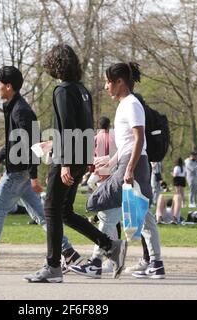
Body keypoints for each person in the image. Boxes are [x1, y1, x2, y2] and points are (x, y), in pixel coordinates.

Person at [0, 66, 82, 275]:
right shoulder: (14, 107)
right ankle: (69, 253)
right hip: (20, 171)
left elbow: (33, 142)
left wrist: (33, 177)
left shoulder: (21, 111)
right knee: (41, 215)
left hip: (19, 172)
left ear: (8, 86)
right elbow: (13, 141)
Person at [24, 45, 127, 283]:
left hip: (67, 159)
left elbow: (67, 127)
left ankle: (52, 267)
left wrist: (64, 163)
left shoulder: (61, 90)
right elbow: (83, 127)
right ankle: (109, 244)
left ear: (55, 65)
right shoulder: (83, 90)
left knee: (51, 210)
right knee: (64, 211)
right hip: (80, 156)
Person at [67, 61, 165, 280]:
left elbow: (139, 139)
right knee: (141, 216)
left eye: (108, 82)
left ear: (120, 82)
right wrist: (110, 163)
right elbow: (127, 144)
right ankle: (154, 263)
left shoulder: (131, 104)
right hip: (131, 162)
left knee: (102, 205)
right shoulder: (125, 104)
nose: (105, 86)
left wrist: (128, 169)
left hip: (134, 164)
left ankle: (99, 261)